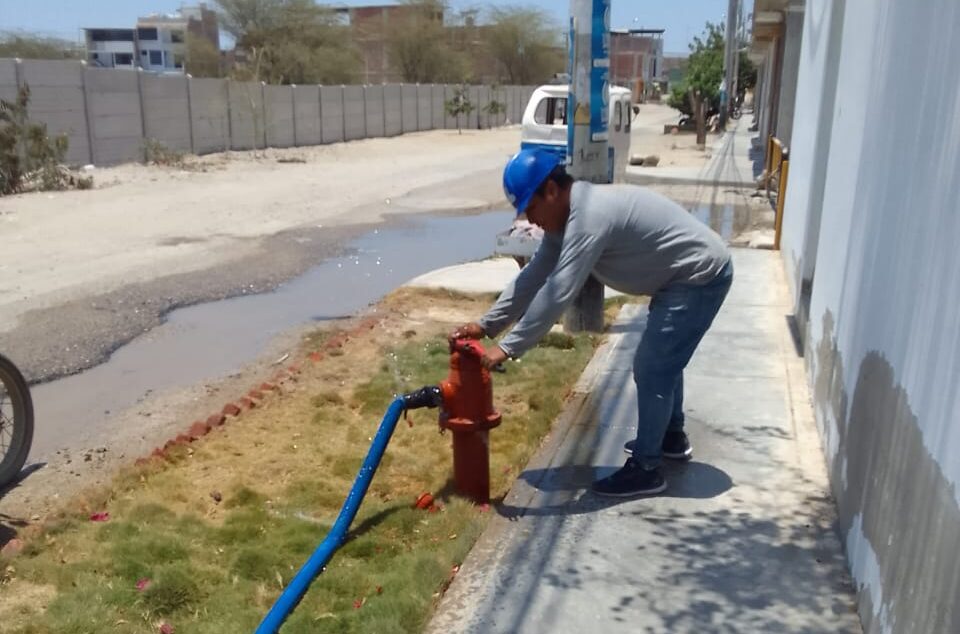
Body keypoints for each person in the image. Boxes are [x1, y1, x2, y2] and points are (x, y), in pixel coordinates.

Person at [449, 148, 733, 497]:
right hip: (680, 277)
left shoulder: (589, 218)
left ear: (551, 190)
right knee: (664, 360)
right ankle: (670, 438)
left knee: (653, 367)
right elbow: (534, 275)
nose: (530, 220)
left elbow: (558, 291)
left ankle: (647, 469)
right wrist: (487, 324)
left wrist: (507, 347)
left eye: (531, 208)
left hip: (700, 276)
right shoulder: (567, 220)